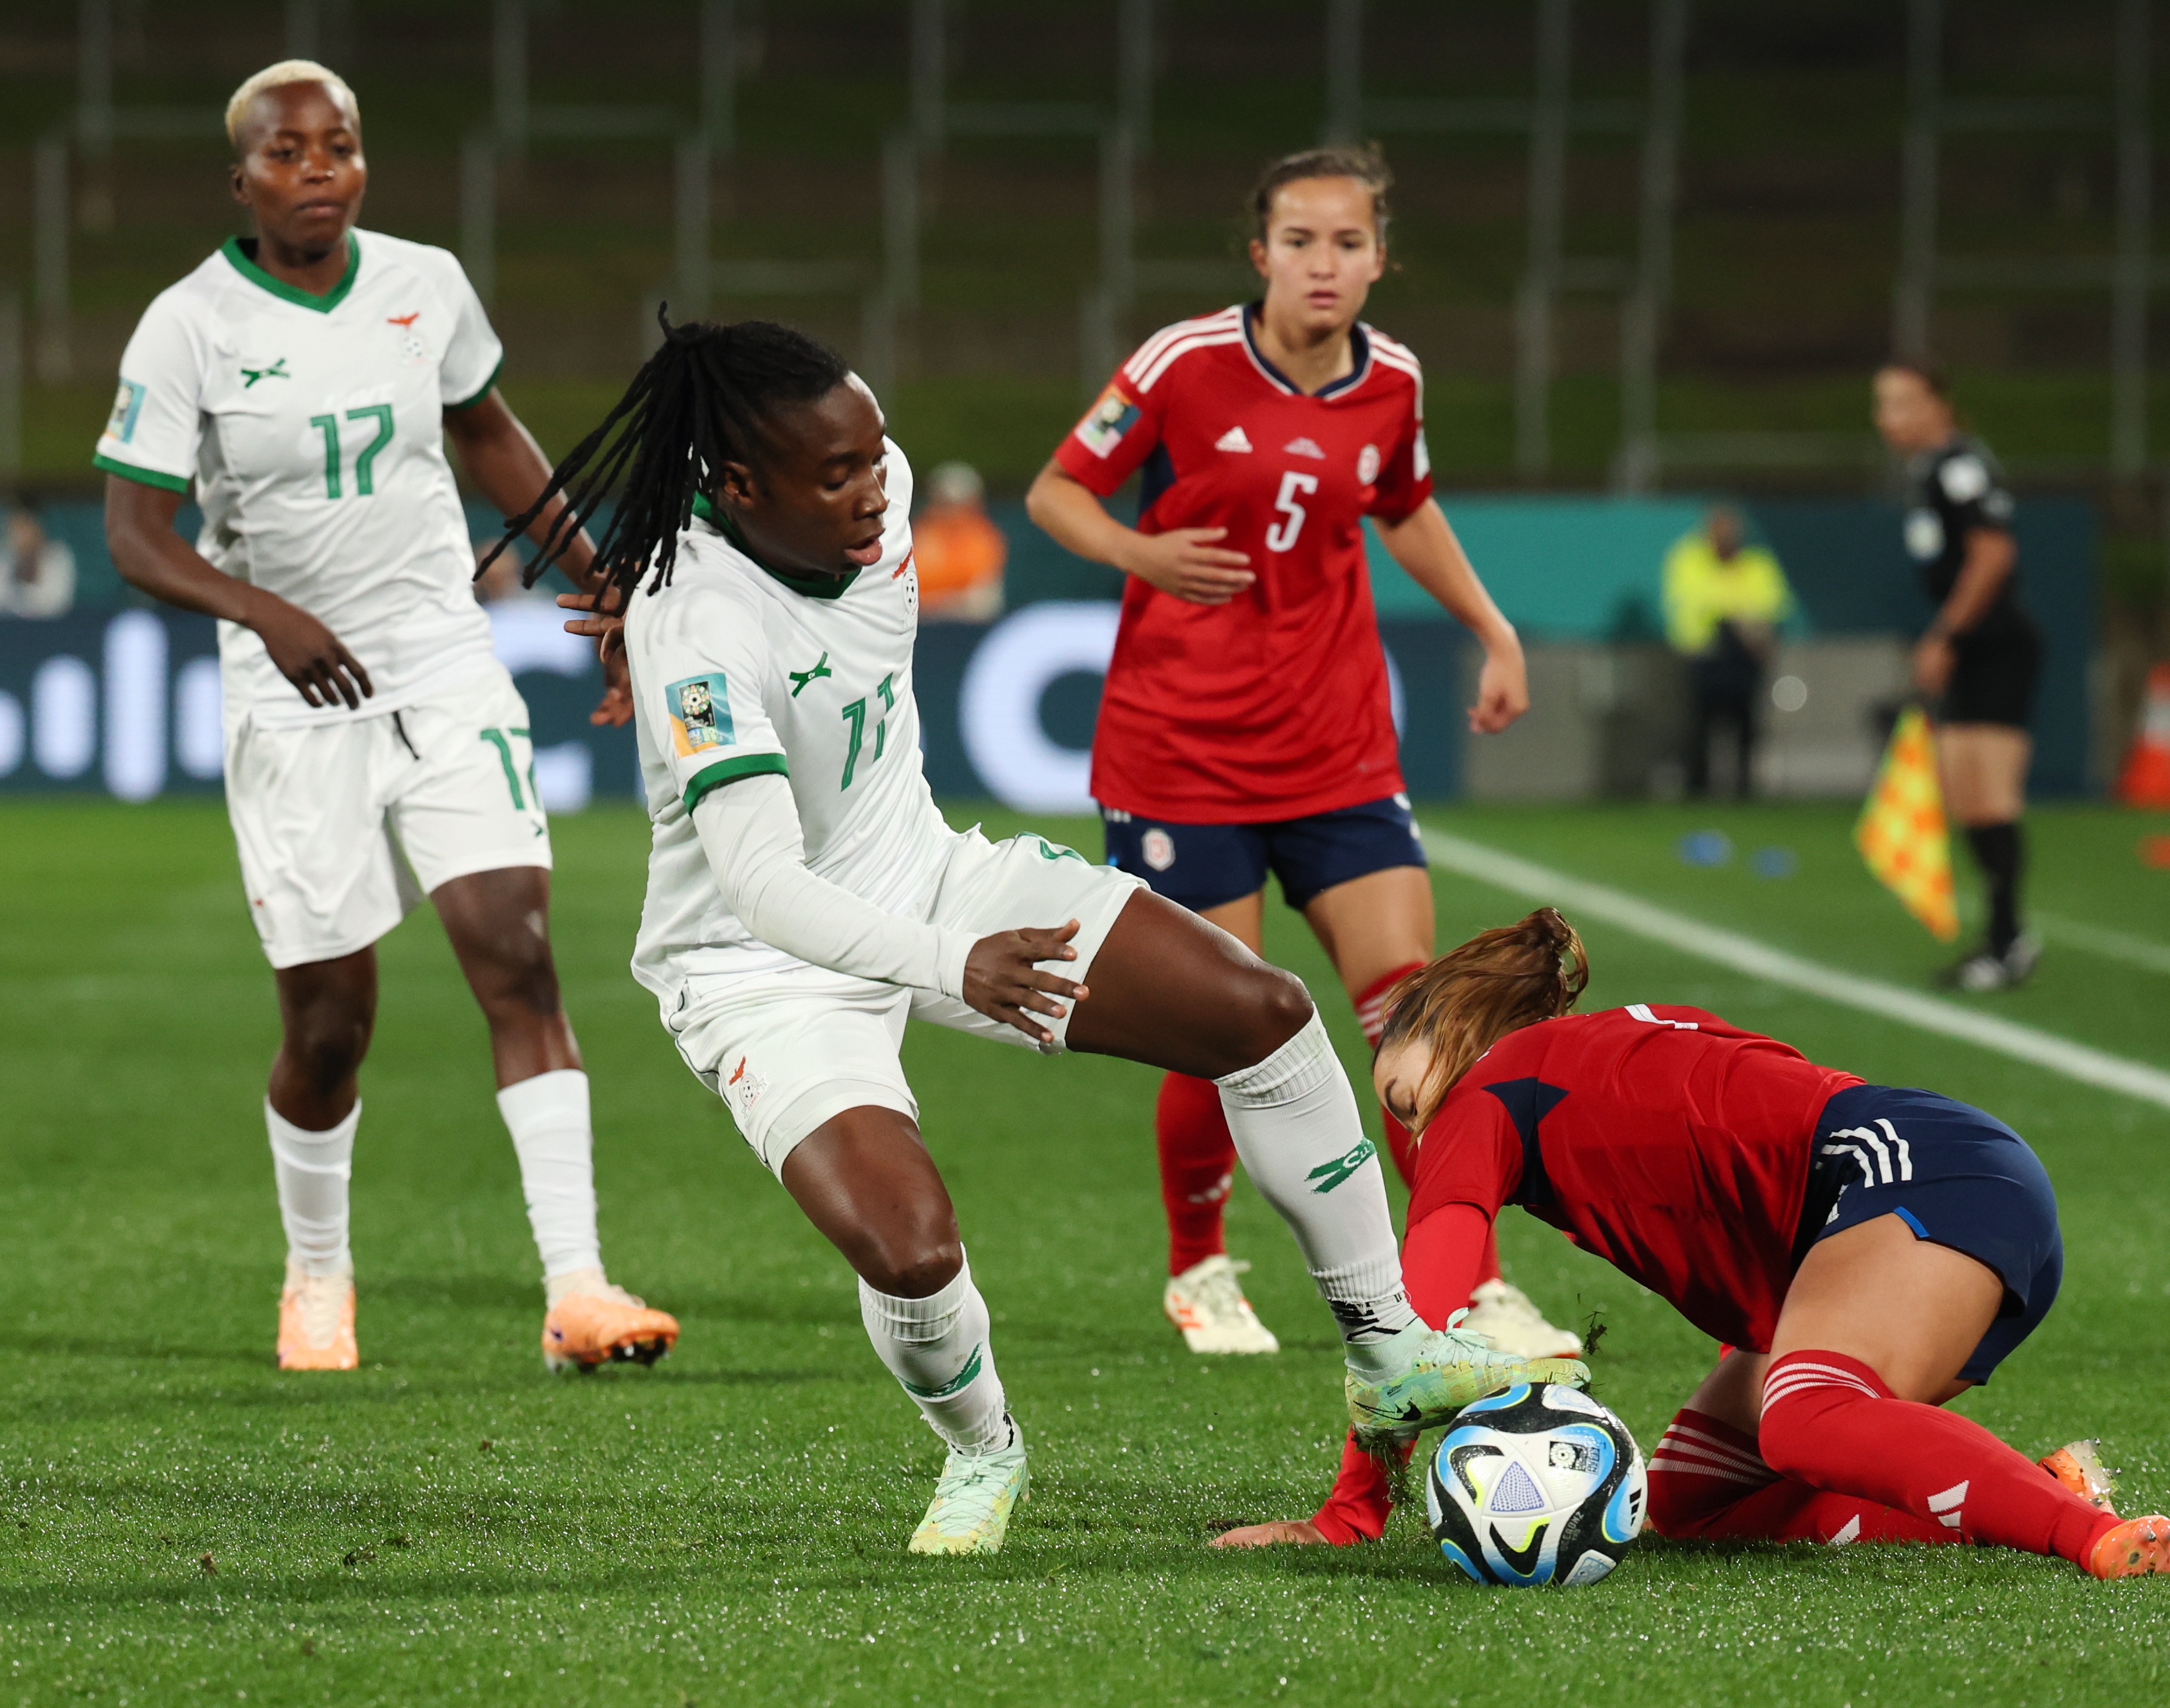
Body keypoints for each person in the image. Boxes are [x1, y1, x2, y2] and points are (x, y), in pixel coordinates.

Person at [506, 313, 1583, 1555]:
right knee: (908, 1248)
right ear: (740, 488)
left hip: (924, 871)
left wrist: (945, 932)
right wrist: (948, 964)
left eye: (874, 454)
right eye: (835, 473)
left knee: (1262, 1013)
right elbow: (759, 884)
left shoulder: (874, 489)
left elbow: (829, 520)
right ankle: (983, 1451)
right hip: (762, 968)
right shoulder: (695, 626)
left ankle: (1388, 1348)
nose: (872, 490)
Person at [93, 61, 676, 1375]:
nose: (318, 171)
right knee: (328, 1023)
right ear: (239, 179)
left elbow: (491, 437)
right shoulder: (189, 325)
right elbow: (135, 534)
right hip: (298, 699)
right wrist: (265, 612)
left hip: (437, 660)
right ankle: (316, 1274)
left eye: (339, 147)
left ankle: (576, 1285)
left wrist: (606, 585)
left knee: (516, 955)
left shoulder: (426, 283)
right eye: (288, 153)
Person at [1212, 909, 2170, 1578]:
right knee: (1697, 1506)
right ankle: (2039, 1489)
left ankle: (2101, 1539)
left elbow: (1409, 1321)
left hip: (1909, 1180)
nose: (1415, 1136)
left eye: (1401, 1092)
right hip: (1921, 1190)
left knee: (1808, 1419)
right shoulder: (1604, 1046)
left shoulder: (1489, 1089)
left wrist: (1351, 1508)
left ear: (1450, 1026)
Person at [1024, 145, 1576, 1362]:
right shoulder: (1183, 364)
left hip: (1336, 748)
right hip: (1182, 752)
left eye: (1346, 243)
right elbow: (1056, 491)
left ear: (1379, 258)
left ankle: (1462, 1282)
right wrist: (1142, 553)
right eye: (1299, 240)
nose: (1322, 264)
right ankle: (1200, 1270)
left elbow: (1404, 506)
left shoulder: (1393, 382)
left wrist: (1490, 627)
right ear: (1259, 252)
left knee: (1416, 1013)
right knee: (1221, 1015)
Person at [1872, 362, 2042, 992]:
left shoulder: (1960, 466)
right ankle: (2004, 938)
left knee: (1990, 794)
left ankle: (2007, 941)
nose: (1888, 417)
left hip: (1997, 645)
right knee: (1964, 793)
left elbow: (1994, 553)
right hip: (1974, 648)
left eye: (1902, 402)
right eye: (1883, 404)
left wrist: (1947, 634)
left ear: (1940, 405)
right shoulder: (1928, 472)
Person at [1662, 502, 1798, 800]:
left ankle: (1744, 788)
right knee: (1701, 723)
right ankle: (1697, 788)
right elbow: (1693, 600)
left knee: (1746, 722)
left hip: (1745, 656)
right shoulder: (1689, 559)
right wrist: (1737, 614)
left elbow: (1774, 604)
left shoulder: (1757, 563)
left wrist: (1752, 627)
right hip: (1706, 653)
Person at [909, 460, 1006, 622]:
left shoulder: (984, 537)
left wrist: (946, 603)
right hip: (921, 623)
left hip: (967, 626)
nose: (951, 510)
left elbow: (983, 598)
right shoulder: (921, 535)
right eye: (945, 502)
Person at [0, 505, 76, 619]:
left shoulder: (58, 555)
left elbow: (57, 605)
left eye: (23, 528)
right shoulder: (5, 558)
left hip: (51, 629)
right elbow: (4, 603)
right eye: (14, 529)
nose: (19, 536)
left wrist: (30, 564)